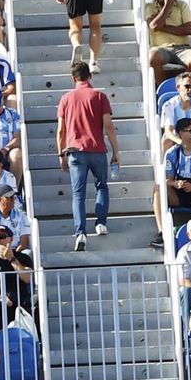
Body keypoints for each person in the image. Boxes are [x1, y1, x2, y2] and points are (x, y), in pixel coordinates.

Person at [57, 61, 121, 252]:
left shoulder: (66, 99)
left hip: (75, 152)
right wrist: (116, 151)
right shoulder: (100, 96)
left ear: (73, 78)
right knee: (102, 186)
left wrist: (61, 154)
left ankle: (81, 232)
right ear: (89, 76)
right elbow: (108, 125)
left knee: (78, 194)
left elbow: (61, 130)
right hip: (97, 150)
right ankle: (101, 223)